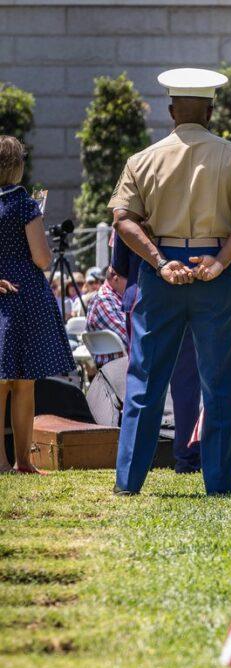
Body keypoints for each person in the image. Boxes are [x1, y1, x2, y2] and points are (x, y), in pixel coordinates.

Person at [108, 68, 231, 496]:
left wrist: (161, 262)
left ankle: (128, 481)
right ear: (211, 111)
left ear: (171, 110)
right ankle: (218, 484)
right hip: (215, 265)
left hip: (162, 270)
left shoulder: (141, 159)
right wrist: (221, 260)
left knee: (145, 379)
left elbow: (123, 220)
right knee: (218, 382)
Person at [0, 135, 75, 474]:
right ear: (17, 166)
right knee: (23, 384)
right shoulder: (26, 205)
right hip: (24, 297)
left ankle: (1, 463)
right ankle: (22, 462)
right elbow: (43, 259)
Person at [111, 230, 202, 475]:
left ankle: (137, 461)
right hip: (186, 291)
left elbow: (118, 265)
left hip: (142, 296)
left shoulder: (131, 210)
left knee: (143, 382)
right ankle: (187, 458)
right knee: (186, 384)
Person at [85, 266, 128, 367]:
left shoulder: (115, 298)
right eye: (131, 278)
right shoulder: (104, 300)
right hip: (118, 370)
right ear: (115, 277)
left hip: (122, 367)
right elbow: (130, 338)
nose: (135, 284)